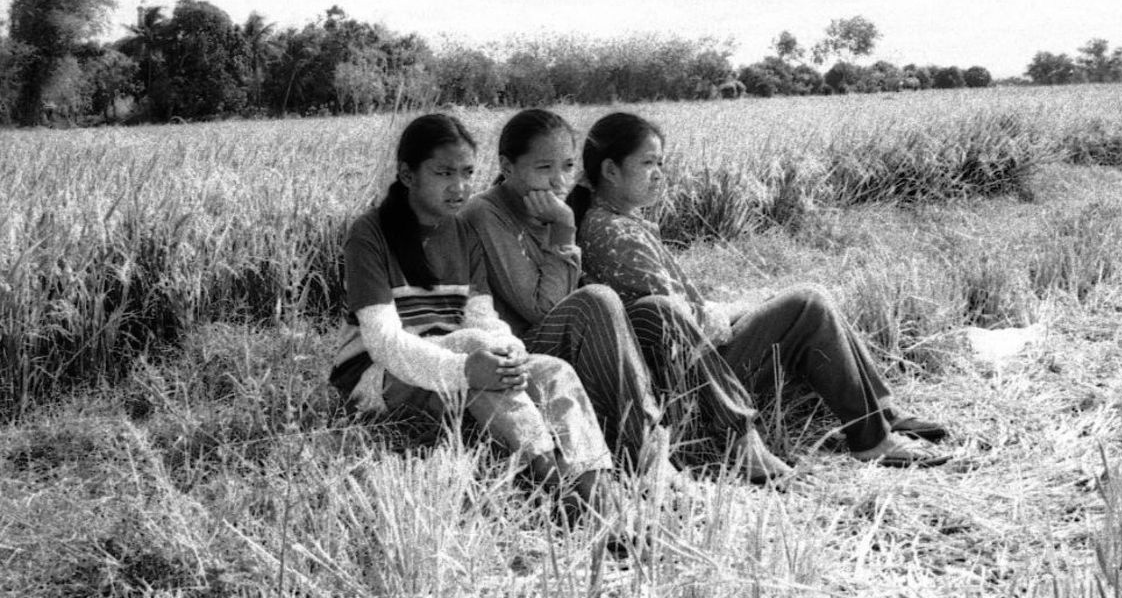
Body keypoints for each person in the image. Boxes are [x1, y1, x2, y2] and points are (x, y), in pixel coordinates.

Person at [566, 112, 953, 468]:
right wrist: (744, 308)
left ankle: (882, 412)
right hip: (692, 381)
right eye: (648, 163)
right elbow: (685, 320)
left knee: (804, 299)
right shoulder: (613, 233)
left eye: (661, 163)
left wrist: (749, 307)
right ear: (610, 170)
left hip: (692, 362)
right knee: (808, 301)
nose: (659, 174)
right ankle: (871, 438)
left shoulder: (618, 223)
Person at [460, 108, 792, 483]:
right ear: (507, 166)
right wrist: (564, 227)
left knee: (655, 309)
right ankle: (649, 457)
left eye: (567, 166)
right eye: (543, 168)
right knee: (598, 299)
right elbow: (543, 309)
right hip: (523, 351)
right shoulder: (487, 214)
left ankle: (739, 436)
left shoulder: (543, 208)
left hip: (567, 338)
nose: (558, 181)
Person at [328, 113, 613, 523]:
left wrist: (509, 353)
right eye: (444, 173)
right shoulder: (370, 233)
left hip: (445, 370)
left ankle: (602, 495)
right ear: (408, 174)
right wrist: (467, 369)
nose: (460, 187)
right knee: (472, 346)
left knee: (552, 370)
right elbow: (383, 343)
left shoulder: (462, 233)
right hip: (378, 378)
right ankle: (555, 485)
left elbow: (483, 318)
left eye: (467, 173)